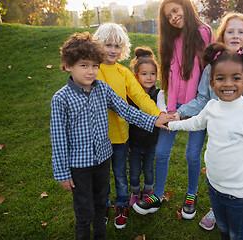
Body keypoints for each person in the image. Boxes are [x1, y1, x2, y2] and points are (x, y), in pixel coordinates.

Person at [50, 32, 171, 240]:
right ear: (68, 65)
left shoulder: (102, 89)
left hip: (102, 160)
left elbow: (127, 111)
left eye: (95, 66)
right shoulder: (61, 99)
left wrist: (154, 120)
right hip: (79, 166)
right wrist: (62, 173)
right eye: (84, 65)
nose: (91, 71)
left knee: (100, 206)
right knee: (84, 211)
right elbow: (59, 139)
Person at [174, 12, 243, 230]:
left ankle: (233, 207)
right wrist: (179, 113)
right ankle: (217, 207)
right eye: (230, 31)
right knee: (219, 169)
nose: (235, 35)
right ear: (222, 35)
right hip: (220, 132)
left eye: (241, 31)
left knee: (239, 172)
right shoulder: (212, 66)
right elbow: (202, 98)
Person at [133, 0, 215, 220]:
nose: (173, 17)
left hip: (198, 105)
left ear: (186, 7)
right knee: (161, 152)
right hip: (175, 105)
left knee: (191, 153)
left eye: (175, 11)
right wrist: (170, 109)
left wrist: (191, 107)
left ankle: (191, 194)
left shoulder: (204, 32)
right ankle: (157, 196)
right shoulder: (171, 39)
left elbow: (205, 72)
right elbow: (171, 76)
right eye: (168, 16)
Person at [92, 23, 163, 229]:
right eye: (108, 45)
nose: (113, 50)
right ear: (98, 45)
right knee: (101, 177)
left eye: (117, 46)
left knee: (121, 176)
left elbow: (140, 97)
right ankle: (103, 206)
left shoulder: (124, 73)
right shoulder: (92, 70)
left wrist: (158, 115)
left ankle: (122, 205)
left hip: (121, 136)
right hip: (99, 137)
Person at [127, 47, 167, 206]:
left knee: (149, 170)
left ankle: (148, 191)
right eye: (144, 74)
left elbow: (162, 108)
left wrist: (164, 115)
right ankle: (135, 192)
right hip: (134, 142)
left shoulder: (159, 94)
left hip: (151, 142)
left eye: (152, 74)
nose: (149, 78)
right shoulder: (130, 95)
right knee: (135, 171)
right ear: (136, 76)